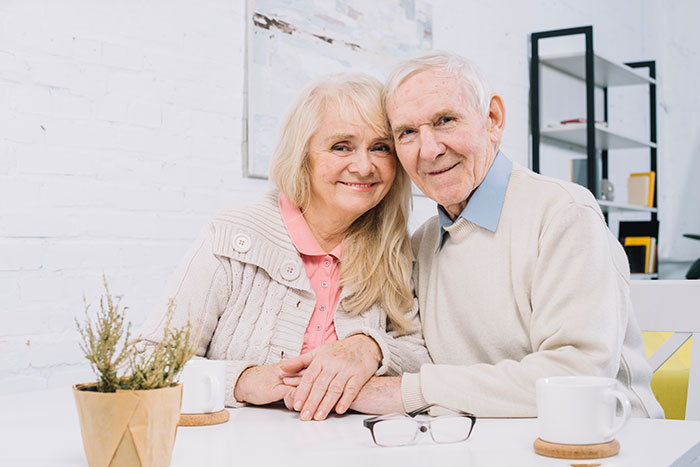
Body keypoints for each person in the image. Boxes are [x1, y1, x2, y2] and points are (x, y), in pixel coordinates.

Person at [315, 51, 663, 418]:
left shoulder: (563, 214)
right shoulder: (421, 243)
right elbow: (410, 353)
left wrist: (415, 390)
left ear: (493, 119)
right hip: (482, 440)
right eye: (407, 133)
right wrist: (365, 348)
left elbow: (575, 377)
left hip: (605, 441)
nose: (429, 150)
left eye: (445, 120)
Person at [133, 73, 430, 421]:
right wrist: (240, 381)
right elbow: (145, 362)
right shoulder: (233, 237)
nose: (364, 166)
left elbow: (424, 360)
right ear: (302, 154)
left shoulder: (393, 249)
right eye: (341, 146)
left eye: (380, 148)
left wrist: (372, 348)